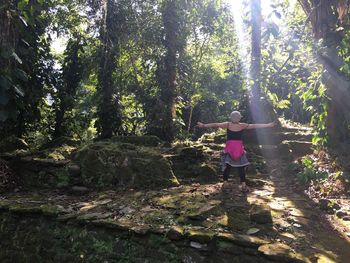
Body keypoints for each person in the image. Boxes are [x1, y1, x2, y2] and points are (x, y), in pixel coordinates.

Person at [197, 111, 275, 192]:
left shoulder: (228, 124)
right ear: (239, 118)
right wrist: (268, 125)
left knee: (228, 166)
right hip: (238, 149)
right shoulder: (242, 125)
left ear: (231, 117)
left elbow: (216, 124)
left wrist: (203, 125)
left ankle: (226, 182)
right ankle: (242, 184)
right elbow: (255, 126)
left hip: (230, 148)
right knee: (241, 167)